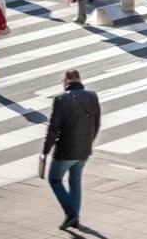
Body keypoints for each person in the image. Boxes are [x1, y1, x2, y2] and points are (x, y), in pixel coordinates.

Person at [42, 69, 101, 230]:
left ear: (65, 81)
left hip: (65, 150)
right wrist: (89, 143)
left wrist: (45, 150)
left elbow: (53, 129)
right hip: (84, 150)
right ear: (79, 79)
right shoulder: (92, 95)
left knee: (54, 179)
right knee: (75, 182)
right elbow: (96, 123)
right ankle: (74, 218)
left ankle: (71, 213)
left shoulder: (60, 99)